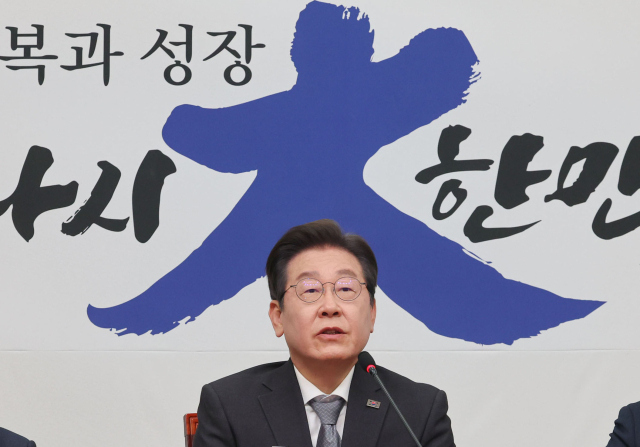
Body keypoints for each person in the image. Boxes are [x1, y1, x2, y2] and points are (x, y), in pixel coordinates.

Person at [193, 219, 455, 447]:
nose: (330, 307)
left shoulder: (419, 411)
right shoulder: (230, 407)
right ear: (278, 316)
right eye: (310, 290)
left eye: (346, 288)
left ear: (372, 313)